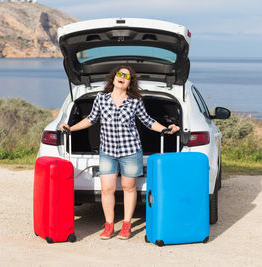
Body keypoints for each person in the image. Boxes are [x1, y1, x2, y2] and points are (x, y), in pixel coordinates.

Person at [60, 65, 180, 240]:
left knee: (128, 187)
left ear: (130, 83)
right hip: (107, 151)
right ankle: (109, 225)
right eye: (119, 74)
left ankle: (126, 225)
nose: (122, 77)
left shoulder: (135, 101)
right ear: (113, 77)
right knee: (107, 188)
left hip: (130, 150)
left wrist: (166, 130)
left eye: (127, 76)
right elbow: (90, 119)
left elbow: (147, 121)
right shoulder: (101, 98)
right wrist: (71, 128)